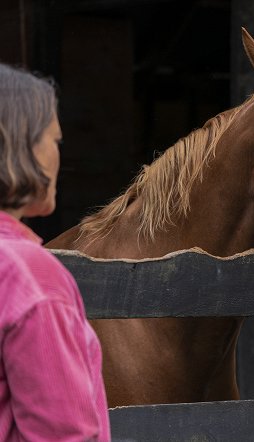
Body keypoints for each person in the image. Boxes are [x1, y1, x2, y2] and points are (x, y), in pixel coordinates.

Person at [0, 63, 110, 440]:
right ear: (20, 144)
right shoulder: (30, 277)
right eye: (55, 140)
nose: (59, 155)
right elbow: (65, 434)